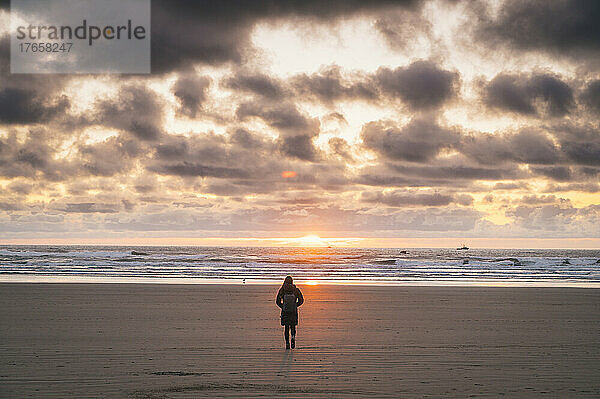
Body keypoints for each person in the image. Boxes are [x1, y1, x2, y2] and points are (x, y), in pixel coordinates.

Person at [275, 276, 304, 349]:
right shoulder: (296, 290)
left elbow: (277, 301)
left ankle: (287, 343)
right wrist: (295, 305)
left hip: (285, 311)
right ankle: (293, 337)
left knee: (286, 327)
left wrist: (283, 306)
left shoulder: (282, 290)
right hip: (293, 311)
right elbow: (301, 300)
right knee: (293, 326)